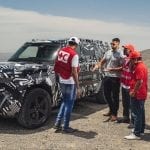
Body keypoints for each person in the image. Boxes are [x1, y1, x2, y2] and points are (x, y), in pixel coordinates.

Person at [54, 37, 80, 133]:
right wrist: (78, 86)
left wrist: (58, 77)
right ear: (76, 45)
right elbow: (74, 71)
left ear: (69, 42)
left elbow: (56, 64)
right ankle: (65, 127)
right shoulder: (74, 55)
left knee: (64, 102)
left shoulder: (61, 51)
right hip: (70, 82)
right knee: (69, 104)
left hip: (62, 80)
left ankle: (57, 123)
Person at [92, 38, 123, 121]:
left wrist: (112, 69)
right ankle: (111, 110)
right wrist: (97, 66)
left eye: (114, 44)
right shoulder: (108, 52)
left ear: (118, 44)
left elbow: (123, 67)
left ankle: (114, 114)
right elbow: (102, 61)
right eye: (111, 43)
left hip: (115, 77)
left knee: (115, 96)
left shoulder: (121, 54)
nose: (112, 45)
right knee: (106, 95)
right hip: (107, 76)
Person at [124, 51, 148, 140]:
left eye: (131, 60)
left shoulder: (139, 67)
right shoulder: (140, 66)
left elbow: (139, 81)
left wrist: (134, 91)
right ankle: (140, 130)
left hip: (138, 94)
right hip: (141, 93)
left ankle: (136, 133)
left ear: (136, 59)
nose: (130, 61)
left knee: (136, 113)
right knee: (140, 112)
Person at [117, 44, 135, 123]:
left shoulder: (133, 60)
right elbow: (123, 68)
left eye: (126, 49)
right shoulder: (125, 59)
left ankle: (133, 120)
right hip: (124, 84)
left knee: (131, 104)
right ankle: (126, 117)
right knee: (125, 102)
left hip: (130, 85)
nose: (124, 50)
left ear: (130, 50)